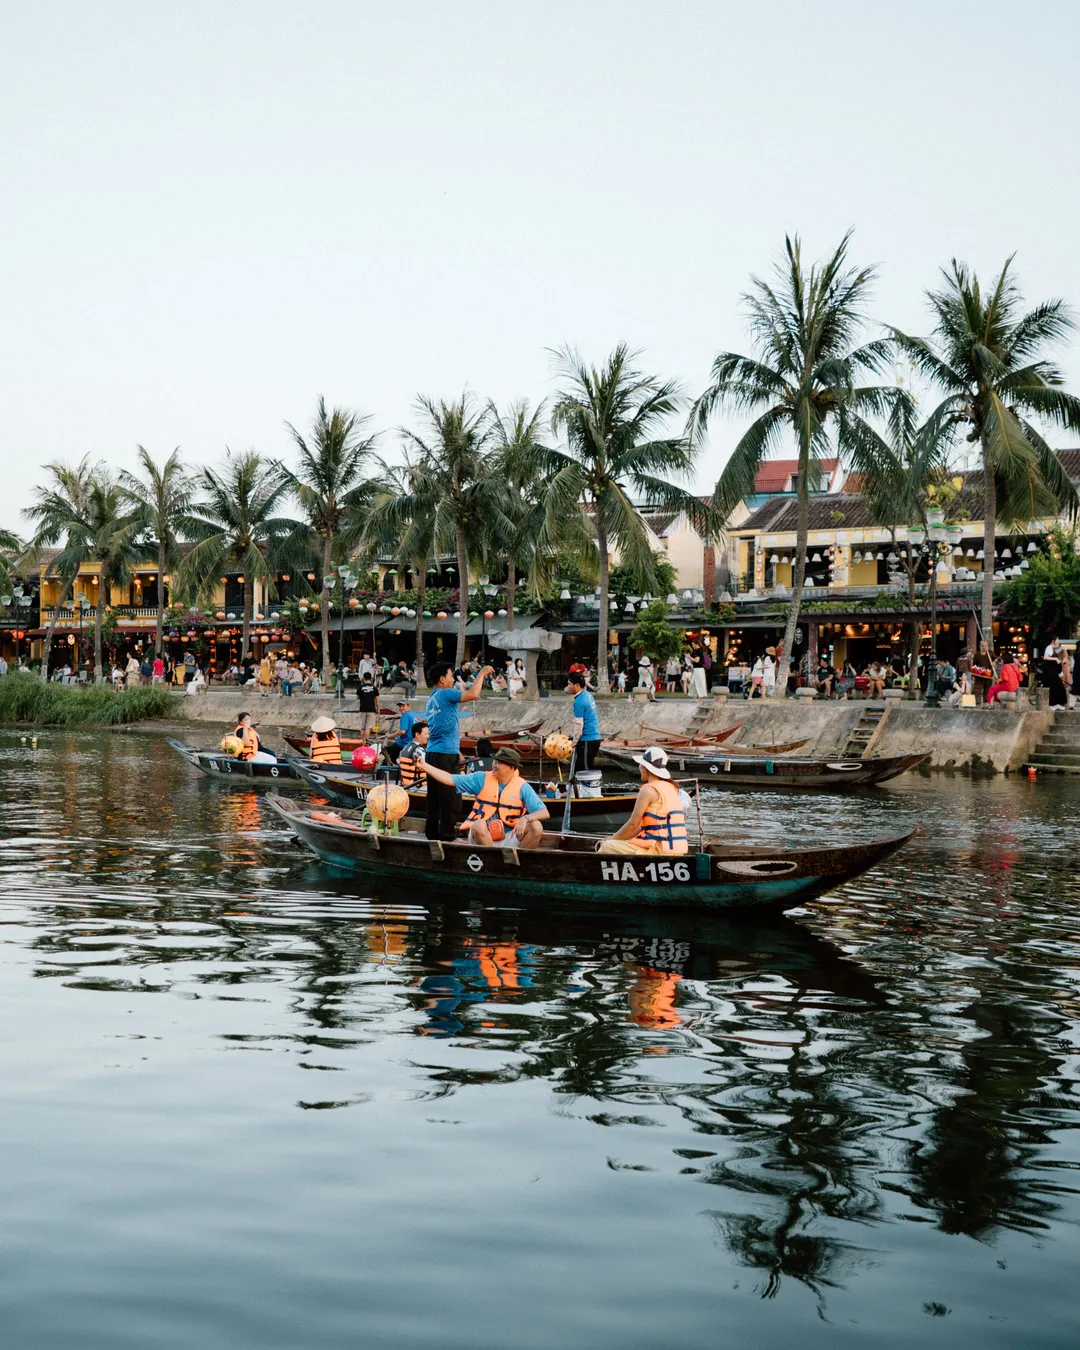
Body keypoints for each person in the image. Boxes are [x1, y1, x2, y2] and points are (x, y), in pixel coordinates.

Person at [422, 746, 549, 849]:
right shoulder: (481, 778)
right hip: (483, 837)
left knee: (536, 826)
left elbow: (544, 812)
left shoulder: (522, 786)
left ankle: (520, 865)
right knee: (478, 824)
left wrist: (526, 818)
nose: (494, 765)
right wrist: (424, 766)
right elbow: (450, 779)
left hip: (509, 836)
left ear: (511, 768)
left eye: (499, 763)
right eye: (494, 761)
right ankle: (492, 863)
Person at [423, 660, 494, 841]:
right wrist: (482, 673)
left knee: (434, 797)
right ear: (441, 679)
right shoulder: (446, 694)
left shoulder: (431, 699)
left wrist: (458, 753)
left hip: (433, 753)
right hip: (444, 755)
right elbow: (473, 694)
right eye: (450, 676)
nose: (453, 679)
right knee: (451, 798)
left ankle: (432, 834)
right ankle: (448, 836)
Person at [598, 746, 688, 856]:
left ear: (646, 767)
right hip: (676, 852)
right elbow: (639, 827)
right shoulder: (672, 787)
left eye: (641, 764)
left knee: (607, 846)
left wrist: (611, 839)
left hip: (657, 851)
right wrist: (618, 839)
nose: (639, 767)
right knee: (617, 842)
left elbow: (632, 824)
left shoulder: (648, 790)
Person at [568, 671, 602, 770]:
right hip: (594, 738)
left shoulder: (579, 701)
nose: (568, 687)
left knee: (584, 771)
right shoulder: (588, 695)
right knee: (583, 767)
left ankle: (585, 786)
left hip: (587, 739)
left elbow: (579, 724)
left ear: (577, 685)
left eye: (570, 684)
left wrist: (574, 741)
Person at [397, 719, 429, 788]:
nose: (428, 736)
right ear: (417, 734)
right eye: (425, 734)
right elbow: (424, 768)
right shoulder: (419, 750)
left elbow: (398, 761)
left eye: (428, 734)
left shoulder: (406, 747)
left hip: (406, 785)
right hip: (418, 786)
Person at [386, 697, 417, 763]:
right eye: (400, 706)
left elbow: (402, 731)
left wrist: (390, 735)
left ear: (408, 706)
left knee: (386, 751)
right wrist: (400, 716)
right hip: (411, 743)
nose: (401, 708)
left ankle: (385, 768)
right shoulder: (412, 714)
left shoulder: (405, 715)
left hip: (403, 743)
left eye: (403, 706)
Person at [1042, 637, 1068, 707]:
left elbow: (1061, 650)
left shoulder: (1054, 648)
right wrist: (1055, 659)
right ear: (1053, 641)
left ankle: (1057, 704)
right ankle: (1053, 704)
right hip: (1049, 671)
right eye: (1057, 639)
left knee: (1058, 686)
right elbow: (1045, 657)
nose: (1058, 640)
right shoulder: (1049, 647)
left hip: (1053, 671)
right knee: (1056, 686)